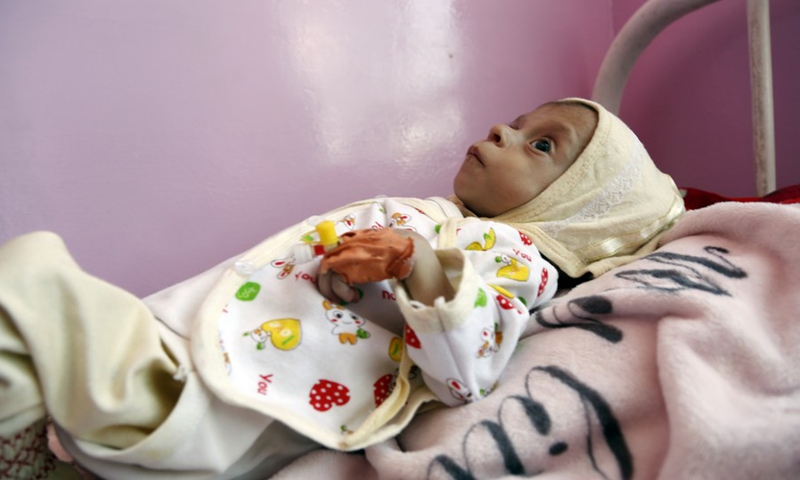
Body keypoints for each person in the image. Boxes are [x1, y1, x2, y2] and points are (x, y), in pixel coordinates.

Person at [0, 98, 684, 479]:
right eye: (520, 121)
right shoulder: (445, 216)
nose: (504, 129)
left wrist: (418, 262)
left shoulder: (514, 256)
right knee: (32, 349)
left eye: (542, 146)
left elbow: (466, 372)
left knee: (29, 276)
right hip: (189, 359)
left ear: (574, 206)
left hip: (226, 404)